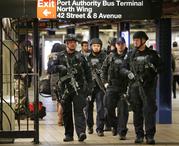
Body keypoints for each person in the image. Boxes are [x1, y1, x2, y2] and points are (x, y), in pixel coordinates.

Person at [121, 31, 161, 144]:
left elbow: (162, 67)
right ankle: (139, 135)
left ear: (144, 40)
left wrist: (152, 69)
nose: (135, 42)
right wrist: (128, 73)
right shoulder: (130, 54)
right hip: (134, 87)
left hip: (148, 88)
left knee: (149, 112)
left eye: (137, 40)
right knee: (137, 112)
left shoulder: (153, 54)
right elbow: (123, 68)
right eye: (134, 40)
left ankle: (150, 136)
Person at [51, 34, 92, 142]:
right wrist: (59, 67)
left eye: (74, 42)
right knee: (67, 112)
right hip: (65, 89)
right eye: (70, 42)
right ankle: (69, 135)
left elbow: (88, 72)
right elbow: (50, 68)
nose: (73, 43)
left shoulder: (81, 56)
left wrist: (89, 86)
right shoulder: (59, 56)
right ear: (66, 43)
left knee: (79, 111)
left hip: (78, 87)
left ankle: (81, 132)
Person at [101, 37, 129, 140]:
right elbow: (103, 70)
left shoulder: (129, 56)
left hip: (123, 88)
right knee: (108, 108)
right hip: (111, 87)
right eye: (118, 44)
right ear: (115, 45)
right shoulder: (110, 56)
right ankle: (115, 125)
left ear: (125, 45)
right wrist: (105, 83)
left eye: (122, 44)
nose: (120, 46)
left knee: (123, 111)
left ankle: (122, 132)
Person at [86, 38, 106, 136]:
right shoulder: (86, 57)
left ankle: (100, 128)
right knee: (88, 107)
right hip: (89, 86)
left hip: (100, 86)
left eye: (98, 46)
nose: (96, 47)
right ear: (91, 47)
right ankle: (89, 126)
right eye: (94, 45)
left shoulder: (105, 57)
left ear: (100, 47)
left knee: (100, 107)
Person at [47, 43, 66, 126]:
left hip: (53, 79)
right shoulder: (61, 56)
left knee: (58, 100)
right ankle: (60, 119)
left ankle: (59, 118)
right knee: (62, 99)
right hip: (61, 78)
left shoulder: (50, 57)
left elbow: (49, 70)